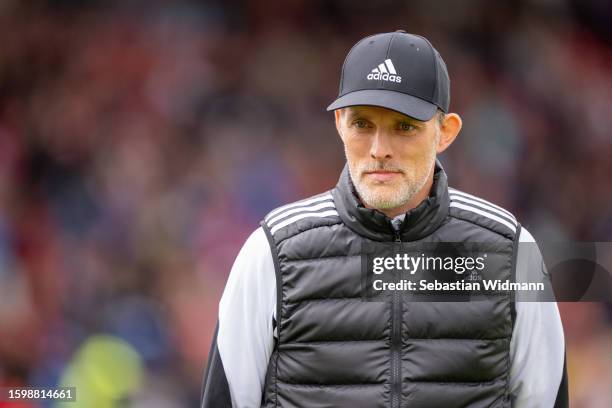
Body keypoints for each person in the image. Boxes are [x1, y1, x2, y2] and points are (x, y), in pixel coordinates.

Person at [201, 31, 568, 408]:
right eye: (362, 124)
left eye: (404, 127)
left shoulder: (511, 250)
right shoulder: (273, 251)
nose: (379, 150)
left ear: (445, 132)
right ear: (340, 124)